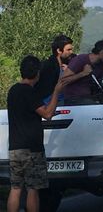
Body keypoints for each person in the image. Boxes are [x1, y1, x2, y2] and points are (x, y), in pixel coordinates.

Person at [7, 55, 65, 212]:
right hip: (32, 149)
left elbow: (27, 111)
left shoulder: (13, 90)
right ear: (37, 73)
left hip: (15, 147)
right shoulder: (29, 92)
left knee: (16, 188)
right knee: (33, 189)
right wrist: (56, 91)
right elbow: (47, 114)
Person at [62, 39, 103, 105]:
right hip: (74, 98)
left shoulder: (100, 66)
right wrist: (83, 73)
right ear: (102, 53)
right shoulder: (80, 60)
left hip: (89, 97)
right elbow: (63, 81)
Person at [34, 34, 74, 104]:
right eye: (68, 50)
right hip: (50, 102)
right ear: (59, 50)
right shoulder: (48, 66)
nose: (71, 52)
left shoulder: (67, 62)